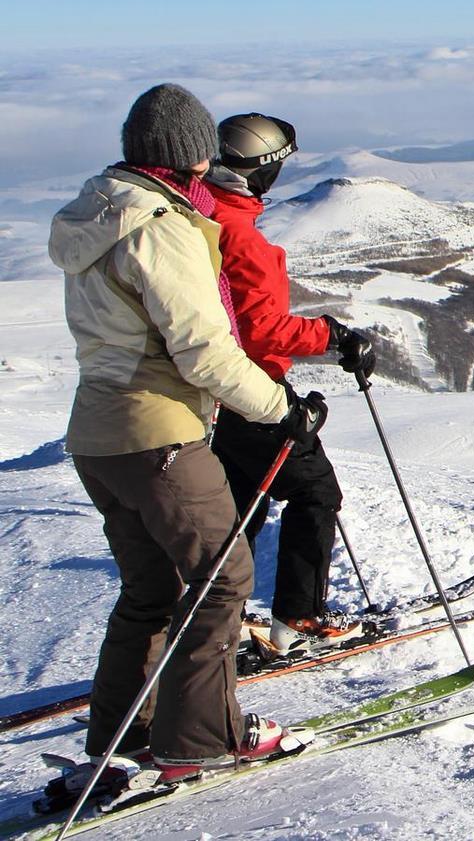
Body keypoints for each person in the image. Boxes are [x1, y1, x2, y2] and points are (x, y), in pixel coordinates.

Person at [47, 83, 321, 789]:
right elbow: (205, 350)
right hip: (160, 432)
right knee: (222, 577)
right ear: (193, 158)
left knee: (152, 588)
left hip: (98, 435)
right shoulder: (162, 225)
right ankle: (202, 736)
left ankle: (122, 738)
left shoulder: (98, 213)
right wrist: (280, 409)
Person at [202, 112, 376, 654]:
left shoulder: (202, 218)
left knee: (244, 505)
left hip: (218, 395)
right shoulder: (241, 238)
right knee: (314, 492)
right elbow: (261, 329)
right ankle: (297, 619)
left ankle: (217, 619)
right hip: (254, 388)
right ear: (261, 172)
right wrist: (333, 335)